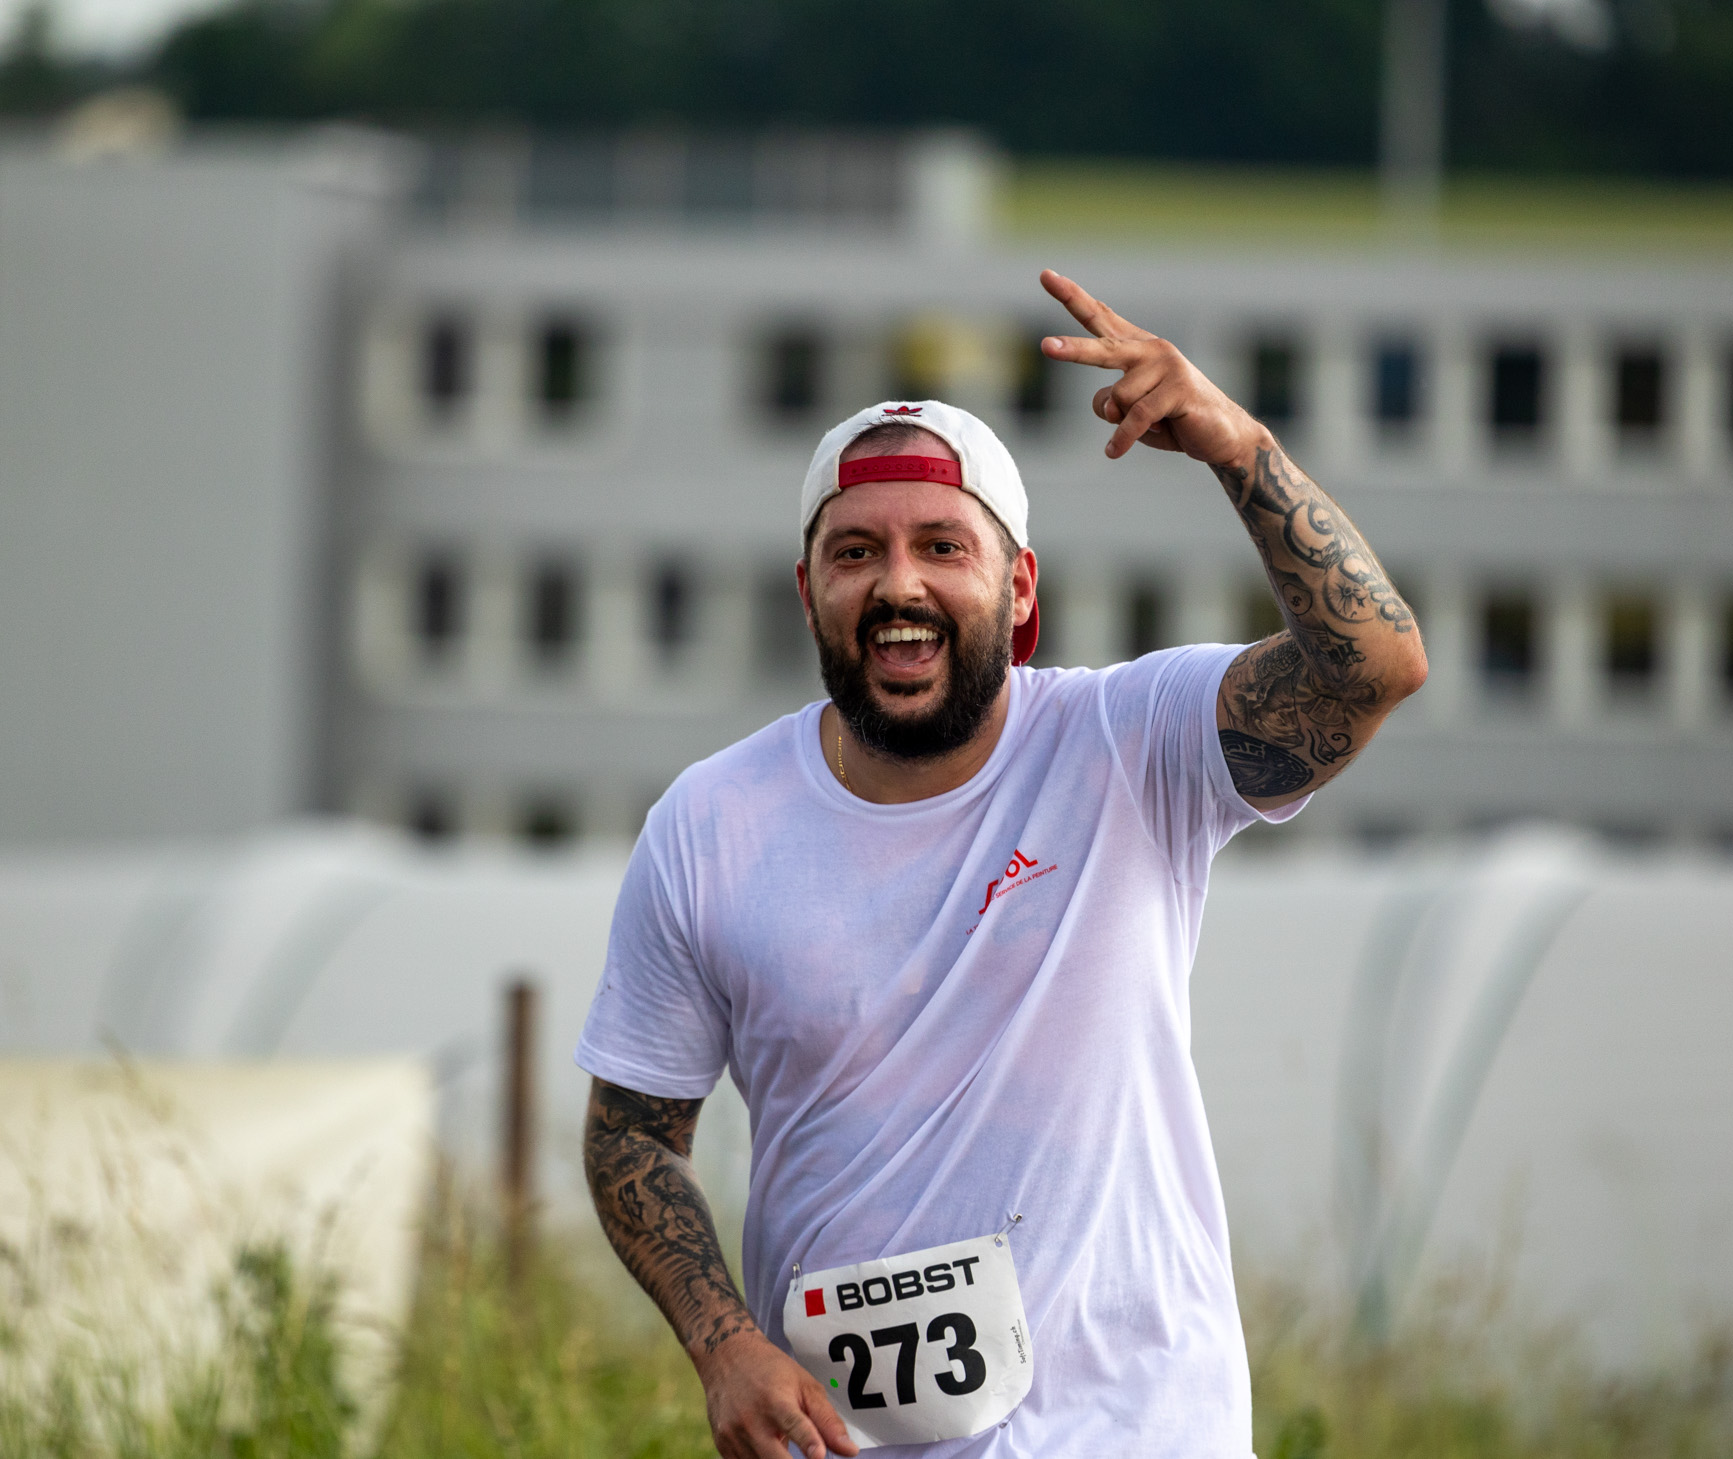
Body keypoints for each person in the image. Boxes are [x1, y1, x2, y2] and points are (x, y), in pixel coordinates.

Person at [577, 270, 1426, 1458]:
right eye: (855, 551)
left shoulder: (1129, 744)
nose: (898, 583)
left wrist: (1237, 446)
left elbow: (1371, 666)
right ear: (808, 593)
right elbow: (629, 1132)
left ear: (1018, 586)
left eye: (942, 546)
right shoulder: (709, 823)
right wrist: (723, 1344)